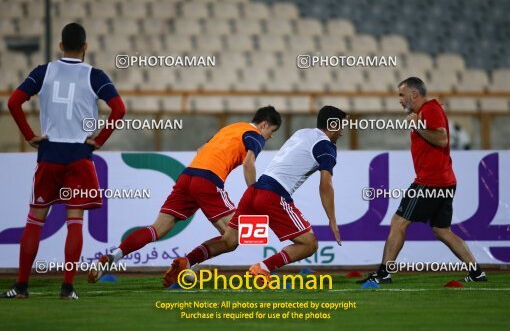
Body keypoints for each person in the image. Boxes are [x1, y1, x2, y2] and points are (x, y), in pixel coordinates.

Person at [1, 23, 126, 299]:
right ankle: (67, 288)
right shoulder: (95, 75)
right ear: (85, 47)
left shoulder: (43, 72)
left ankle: (21, 286)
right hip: (79, 156)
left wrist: (30, 135)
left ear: (60, 46)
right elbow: (119, 108)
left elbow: (13, 103)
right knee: (75, 222)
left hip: (49, 154)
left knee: (35, 220)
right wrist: (100, 139)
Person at [89, 106, 282, 283]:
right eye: (271, 131)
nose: (269, 137)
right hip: (208, 181)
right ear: (264, 124)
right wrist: (255, 194)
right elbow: (249, 163)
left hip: (187, 176)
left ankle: (114, 256)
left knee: (157, 229)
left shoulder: (229, 129)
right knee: (233, 239)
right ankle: (186, 263)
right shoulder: (256, 135)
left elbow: (201, 150)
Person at [162, 106, 345, 286]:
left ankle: (187, 261)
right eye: (342, 125)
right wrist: (332, 220)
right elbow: (325, 185)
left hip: (253, 191)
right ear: (333, 125)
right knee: (309, 243)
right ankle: (264, 268)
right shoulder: (326, 146)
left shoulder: (302, 133)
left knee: (229, 240)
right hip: (274, 195)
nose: (343, 132)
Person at [358, 77, 487, 284]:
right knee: (442, 230)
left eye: (402, 95)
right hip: (444, 180)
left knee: (399, 222)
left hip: (430, 181)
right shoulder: (427, 110)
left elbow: (443, 138)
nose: (400, 100)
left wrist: (417, 126)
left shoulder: (429, 110)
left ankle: (384, 274)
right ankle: (476, 272)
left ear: (414, 94)